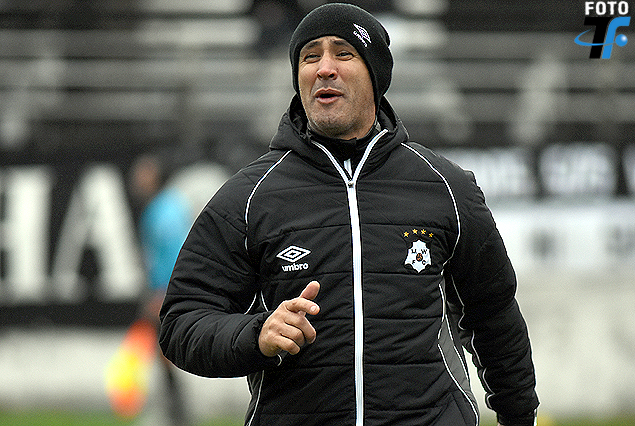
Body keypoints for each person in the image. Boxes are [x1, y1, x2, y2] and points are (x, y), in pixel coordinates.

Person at [159, 3, 539, 426]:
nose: (324, 68)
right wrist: (257, 334)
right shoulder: (249, 196)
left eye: (343, 53)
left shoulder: (446, 187)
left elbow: (494, 316)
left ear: (375, 75)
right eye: (310, 57)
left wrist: (518, 416)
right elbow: (181, 322)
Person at [130, 154, 192, 426]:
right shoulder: (165, 206)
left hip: (165, 293)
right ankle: (175, 411)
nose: (137, 179)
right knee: (164, 354)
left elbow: (173, 255)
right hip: (165, 291)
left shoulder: (162, 210)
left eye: (143, 173)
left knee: (167, 353)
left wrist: (162, 294)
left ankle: (175, 412)